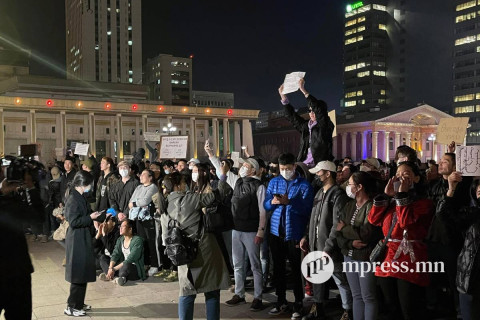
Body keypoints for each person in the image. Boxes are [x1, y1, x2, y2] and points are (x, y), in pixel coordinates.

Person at [368, 161, 434, 320]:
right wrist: (386, 196)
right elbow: (373, 219)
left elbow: (406, 223)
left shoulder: (424, 203)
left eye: (406, 175)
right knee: (391, 308)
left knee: (409, 308)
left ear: (417, 178)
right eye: (398, 175)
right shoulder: (392, 202)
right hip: (388, 258)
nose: (401, 178)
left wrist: (401, 196)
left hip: (409, 259)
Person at [160, 171, 230, 320]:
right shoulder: (191, 199)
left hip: (181, 253)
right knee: (211, 289)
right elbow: (216, 196)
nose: (186, 186)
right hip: (204, 250)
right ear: (178, 186)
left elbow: (164, 237)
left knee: (186, 292)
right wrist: (222, 178)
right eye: (184, 184)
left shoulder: (163, 205)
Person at [264, 153, 314, 319]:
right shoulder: (274, 182)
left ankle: (298, 302)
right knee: (277, 269)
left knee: (295, 269)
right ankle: (281, 301)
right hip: (275, 232)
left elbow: (308, 209)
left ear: (294, 166)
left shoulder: (304, 184)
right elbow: (265, 204)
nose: (284, 171)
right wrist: (272, 202)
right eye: (282, 168)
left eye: (287, 168)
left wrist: (290, 202)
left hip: (294, 232)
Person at [300, 161, 351, 320]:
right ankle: (318, 308)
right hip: (317, 244)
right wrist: (306, 237)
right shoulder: (320, 192)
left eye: (319, 172)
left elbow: (337, 224)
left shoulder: (338, 195)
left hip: (330, 247)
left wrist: (328, 247)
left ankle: (348, 310)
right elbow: (313, 218)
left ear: (328, 173)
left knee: (340, 279)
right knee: (318, 277)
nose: (317, 174)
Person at [336, 172, 381, 320]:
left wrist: (344, 229)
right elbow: (338, 234)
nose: (347, 187)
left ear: (359, 187)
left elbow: (365, 234)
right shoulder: (349, 205)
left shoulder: (372, 207)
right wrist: (350, 242)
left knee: (368, 296)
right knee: (356, 295)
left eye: (350, 184)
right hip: (348, 255)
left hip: (364, 258)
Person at [225, 158, 266, 311]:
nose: (242, 167)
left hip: (251, 231)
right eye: (242, 165)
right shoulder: (238, 182)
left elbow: (263, 211)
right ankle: (239, 294)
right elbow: (220, 171)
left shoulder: (259, 186)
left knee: (255, 265)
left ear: (253, 170)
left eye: (246, 165)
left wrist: (260, 232)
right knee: (237, 264)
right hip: (236, 229)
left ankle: (258, 297)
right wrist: (210, 154)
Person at [437, 176, 480, 320]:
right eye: (478, 187)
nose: (479, 189)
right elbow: (443, 215)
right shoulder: (473, 214)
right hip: (470, 277)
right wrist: (451, 189)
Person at [64, 170, 101, 317]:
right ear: (83, 184)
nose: (91, 187)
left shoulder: (81, 196)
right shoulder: (73, 198)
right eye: (89, 184)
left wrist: (97, 216)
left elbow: (87, 213)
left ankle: (79, 302)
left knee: (83, 272)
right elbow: (73, 221)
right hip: (77, 239)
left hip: (83, 237)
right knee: (78, 274)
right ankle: (72, 306)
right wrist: (90, 217)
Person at [278, 78, 335, 166]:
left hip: (319, 165)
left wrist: (303, 90)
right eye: (309, 111)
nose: (311, 113)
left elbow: (319, 110)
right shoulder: (306, 126)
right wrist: (283, 97)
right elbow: (292, 117)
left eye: (314, 111)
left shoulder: (326, 125)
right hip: (303, 163)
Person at [129, 169, 159, 277]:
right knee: (142, 241)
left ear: (150, 177)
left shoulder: (153, 187)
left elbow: (145, 201)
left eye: (143, 175)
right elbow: (132, 200)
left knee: (151, 242)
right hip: (139, 218)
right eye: (140, 174)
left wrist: (135, 203)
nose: (141, 176)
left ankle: (155, 264)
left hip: (149, 218)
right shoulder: (139, 187)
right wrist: (135, 203)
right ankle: (145, 262)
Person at [99, 219, 147, 285]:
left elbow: (130, 259)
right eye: (120, 226)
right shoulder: (120, 239)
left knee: (126, 264)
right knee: (103, 258)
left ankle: (116, 277)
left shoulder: (138, 240)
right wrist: (110, 268)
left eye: (123, 226)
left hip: (133, 269)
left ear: (130, 229)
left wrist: (114, 269)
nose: (120, 228)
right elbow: (115, 254)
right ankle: (114, 276)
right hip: (122, 267)